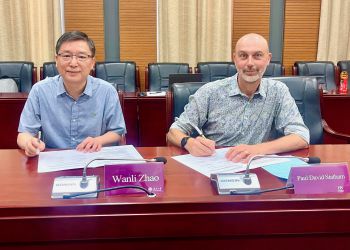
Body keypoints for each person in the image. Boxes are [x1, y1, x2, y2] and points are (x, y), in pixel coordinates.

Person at [167, 33, 309, 163]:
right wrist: (189, 142)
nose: (250, 63)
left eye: (257, 55)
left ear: (268, 59)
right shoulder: (210, 92)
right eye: (243, 56)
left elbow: (301, 136)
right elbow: (173, 132)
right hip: (216, 165)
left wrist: (257, 149)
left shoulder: (278, 91)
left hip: (258, 166)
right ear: (235, 59)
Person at [17, 31, 126, 157]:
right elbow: (23, 134)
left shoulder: (106, 91)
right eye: (66, 56)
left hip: (94, 159)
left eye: (81, 57)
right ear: (56, 60)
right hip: (54, 161)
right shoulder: (40, 90)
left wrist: (98, 141)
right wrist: (29, 143)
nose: (73, 63)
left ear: (92, 63)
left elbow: (117, 131)